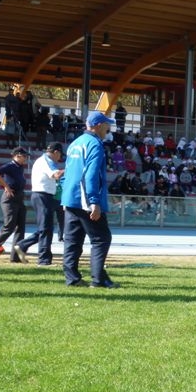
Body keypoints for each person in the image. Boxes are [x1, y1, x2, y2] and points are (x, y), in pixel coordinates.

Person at [61, 111, 118, 288]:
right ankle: (98, 279)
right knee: (101, 238)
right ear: (99, 125)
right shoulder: (95, 144)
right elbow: (91, 174)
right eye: (107, 125)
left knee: (73, 240)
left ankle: (73, 278)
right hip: (85, 197)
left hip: (70, 198)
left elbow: (67, 173)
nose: (108, 129)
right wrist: (94, 201)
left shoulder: (75, 144)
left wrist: (65, 197)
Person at [13, 143, 65, 266]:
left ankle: (22, 245)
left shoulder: (41, 160)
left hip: (42, 196)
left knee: (45, 228)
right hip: (43, 196)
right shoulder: (47, 161)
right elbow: (56, 175)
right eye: (60, 155)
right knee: (46, 229)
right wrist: (70, 169)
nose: (60, 158)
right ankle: (43, 260)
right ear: (56, 152)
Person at [0, 146, 29, 263]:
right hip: (9, 199)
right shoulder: (10, 165)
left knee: (21, 228)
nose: (26, 159)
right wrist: (6, 186)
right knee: (9, 227)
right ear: (17, 155)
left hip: (19, 198)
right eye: (24, 156)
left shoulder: (19, 167)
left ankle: (15, 257)